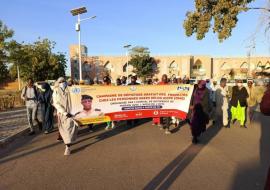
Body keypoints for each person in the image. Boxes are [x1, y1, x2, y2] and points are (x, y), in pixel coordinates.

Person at [53, 77, 78, 156]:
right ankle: (68, 145)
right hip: (62, 114)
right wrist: (64, 112)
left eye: (63, 81)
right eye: (60, 81)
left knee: (70, 129)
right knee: (64, 130)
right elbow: (56, 103)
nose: (62, 82)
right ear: (58, 82)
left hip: (71, 113)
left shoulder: (70, 89)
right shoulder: (56, 91)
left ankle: (67, 146)